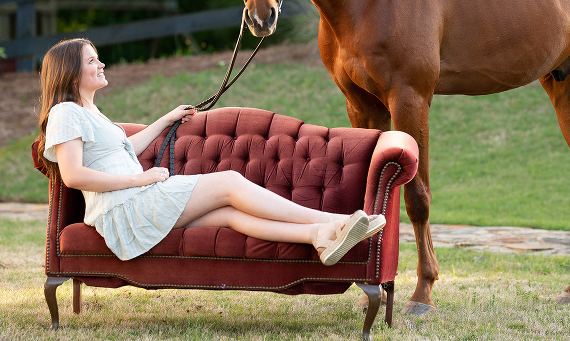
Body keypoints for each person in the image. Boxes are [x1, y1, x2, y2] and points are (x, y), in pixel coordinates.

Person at [35, 38, 385, 263]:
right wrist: (139, 179)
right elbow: (74, 174)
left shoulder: (90, 113)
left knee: (230, 215)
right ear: (70, 71)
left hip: (134, 203)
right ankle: (339, 222)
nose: (101, 65)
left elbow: (127, 147)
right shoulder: (66, 113)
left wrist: (166, 119)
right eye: (92, 61)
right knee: (230, 182)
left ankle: (319, 237)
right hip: (124, 209)